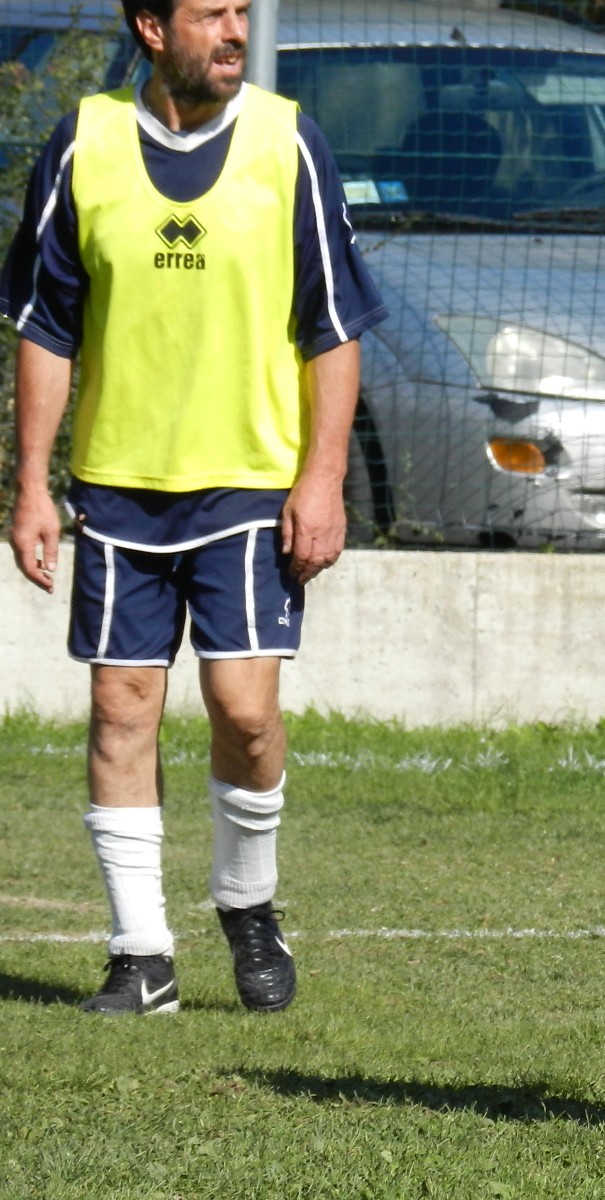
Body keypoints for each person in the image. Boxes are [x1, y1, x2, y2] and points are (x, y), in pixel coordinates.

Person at [1, 0, 387, 1014]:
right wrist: (32, 482)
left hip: (250, 482)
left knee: (246, 714)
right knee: (120, 709)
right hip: (119, 484)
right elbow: (46, 327)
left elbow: (335, 325)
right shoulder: (83, 144)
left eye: (241, 12)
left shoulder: (287, 142)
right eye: (211, 13)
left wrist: (322, 479)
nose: (234, 31)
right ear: (149, 26)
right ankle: (142, 958)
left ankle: (247, 904)